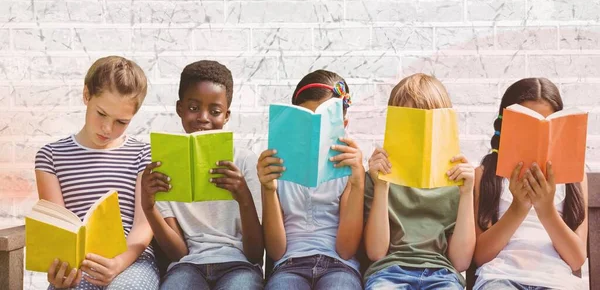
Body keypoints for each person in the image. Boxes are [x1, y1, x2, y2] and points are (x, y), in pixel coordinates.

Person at [35, 56, 159, 289]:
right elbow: (58, 232)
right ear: (86, 95)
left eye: (121, 122)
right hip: (78, 265)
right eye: (101, 114)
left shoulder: (144, 154)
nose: (107, 129)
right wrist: (61, 273)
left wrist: (118, 263)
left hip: (132, 259)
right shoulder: (51, 156)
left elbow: (144, 225)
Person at [141, 60, 264, 290]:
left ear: (226, 115)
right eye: (193, 108)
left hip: (239, 265)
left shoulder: (245, 161)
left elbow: (256, 254)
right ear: (179, 108)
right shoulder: (163, 165)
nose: (203, 118)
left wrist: (243, 196)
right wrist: (148, 208)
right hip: (188, 266)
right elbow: (178, 253)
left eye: (215, 111)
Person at [473, 78, 588, 290]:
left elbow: (576, 259)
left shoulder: (574, 178)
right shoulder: (485, 174)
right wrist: (519, 207)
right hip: (500, 276)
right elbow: (480, 256)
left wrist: (546, 209)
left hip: (556, 280)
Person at [364, 73, 475, 289]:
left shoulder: (456, 182)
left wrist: (467, 194)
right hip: (388, 272)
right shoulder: (378, 177)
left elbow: (461, 261)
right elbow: (376, 253)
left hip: (442, 274)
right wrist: (381, 187)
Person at [258, 69, 364, 290]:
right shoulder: (277, 167)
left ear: (344, 123)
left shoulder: (347, 169)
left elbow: (346, 249)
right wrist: (268, 189)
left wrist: (357, 181)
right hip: (289, 265)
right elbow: (276, 251)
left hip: (340, 266)